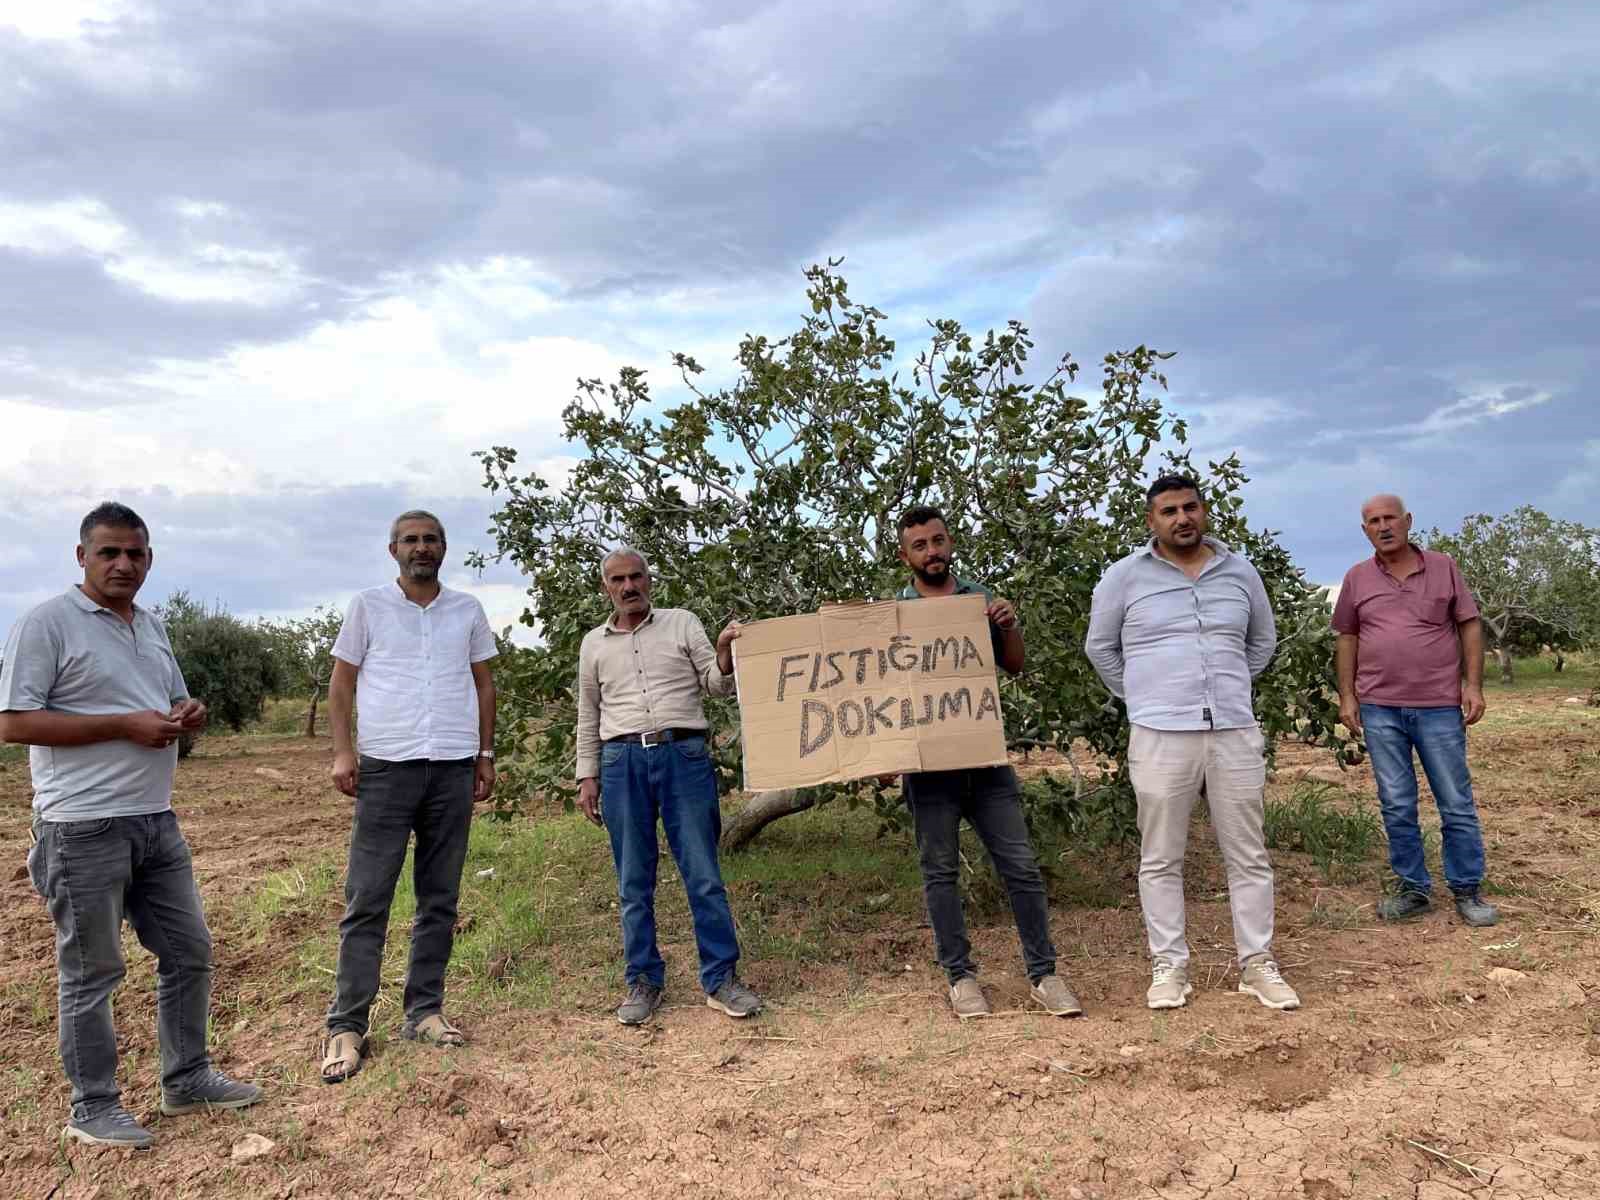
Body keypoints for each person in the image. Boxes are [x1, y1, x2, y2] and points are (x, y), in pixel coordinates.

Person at [0, 502, 262, 1149]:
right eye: (109, 552)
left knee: (189, 950)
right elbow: (13, 721)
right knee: (92, 972)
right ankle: (93, 1106)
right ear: (81, 556)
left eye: (136, 553)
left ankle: (187, 1078)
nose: (124, 564)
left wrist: (186, 713)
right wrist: (123, 725)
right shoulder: (47, 623)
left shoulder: (151, 625)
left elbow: (167, 700)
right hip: (81, 828)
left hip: (155, 822)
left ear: (149, 559)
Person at [1085, 475, 1300, 1011]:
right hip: (1159, 734)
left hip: (1232, 728)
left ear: (1204, 511)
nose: (1182, 518)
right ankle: (1169, 966)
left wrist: (1230, 687)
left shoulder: (1240, 571)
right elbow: (1101, 648)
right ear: (1150, 521)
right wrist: (1144, 698)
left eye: (1190, 507)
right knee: (1160, 857)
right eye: (1169, 511)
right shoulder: (1124, 577)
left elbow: (1262, 641)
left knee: (1248, 854)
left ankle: (1257, 964)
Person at [320, 510, 498, 1084]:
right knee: (368, 898)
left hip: (450, 768)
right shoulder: (368, 606)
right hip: (386, 770)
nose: (422, 548)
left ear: (444, 548)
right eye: (411, 540)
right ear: (393, 548)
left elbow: (484, 683)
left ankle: (424, 1011)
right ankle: (347, 1025)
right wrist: (344, 753)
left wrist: (484, 755)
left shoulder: (466, 610)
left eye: (431, 539)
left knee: (439, 899)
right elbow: (342, 682)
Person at [893, 505, 1083, 1020]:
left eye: (938, 541)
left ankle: (1044, 974)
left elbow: (1015, 665)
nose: (932, 552)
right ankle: (960, 978)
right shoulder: (893, 614)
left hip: (985, 762)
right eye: (920, 545)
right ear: (905, 554)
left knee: (1021, 868)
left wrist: (1010, 624)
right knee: (940, 873)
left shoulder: (979, 600)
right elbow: (880, 697)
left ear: (950, 542)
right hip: (930, 771)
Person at [575, 547, 762, 1025]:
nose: (628, 586)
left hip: (684, 756)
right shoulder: (593, 644)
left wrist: (723, 654)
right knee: (633, 880)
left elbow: (716, 686)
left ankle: (721, 980)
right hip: (622, 762)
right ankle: (643, 981)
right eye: (617, 579)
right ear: (606, 587)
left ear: (649, 579)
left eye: (636, 576)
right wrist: (587, 774)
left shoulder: (682, 623)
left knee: (703, 873)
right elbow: (588, 714)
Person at [1332, 494, 1497, 927]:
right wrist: (1347, 696)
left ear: (1408, 521)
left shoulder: (1443, 567)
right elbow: (1346, 637)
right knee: (1396, 803)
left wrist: (1473, 685)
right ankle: (1413, 889)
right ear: (1364, 529)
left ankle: (1467, 888)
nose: (1383, 526)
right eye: (1373, 521)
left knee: (1455, 802)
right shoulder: (1356, 578)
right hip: (1379, 708)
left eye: (1390, 518)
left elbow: (1469, 623)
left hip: (1439, 707)